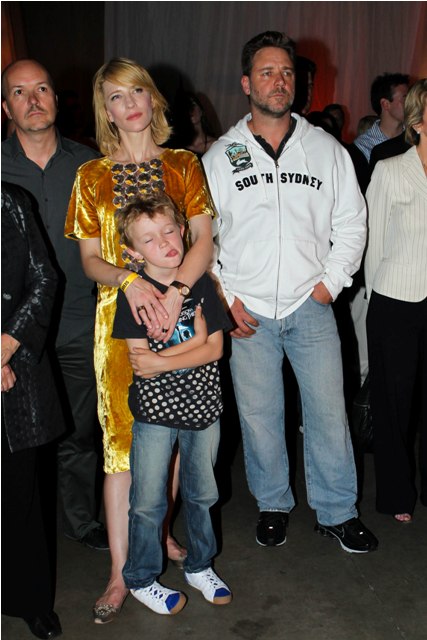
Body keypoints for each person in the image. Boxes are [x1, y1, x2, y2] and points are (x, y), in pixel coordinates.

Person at [202, 31, 378, 553]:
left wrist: (330, 285)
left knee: (328, 414)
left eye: (286, 72)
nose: (278, 81)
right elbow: (201, 236)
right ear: (246, 83)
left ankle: (338, 511)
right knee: (260, 418)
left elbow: (352, 223)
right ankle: (273, 505)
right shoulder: (220, 156)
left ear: (298, 82)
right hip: (247, 310)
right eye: (266, 72)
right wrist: (226, 297)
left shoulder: (326, 150)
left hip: (311, 305)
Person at [64, 57, 215, 622]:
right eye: (114, 97)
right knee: (121, 448)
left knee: (171, 440)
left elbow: (204, 242)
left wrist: (176, 293)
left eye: (136, 92)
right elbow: (89, 260)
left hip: (184, 314)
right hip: (119, 322)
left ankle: (157, 535)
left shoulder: (184, 164)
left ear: (153, 99)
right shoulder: (90, 176)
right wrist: (129, 280)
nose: (128, 104)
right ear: (105, 111)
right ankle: (119, 571)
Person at [1, 59, 108, 551]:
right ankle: (22, 527)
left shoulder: (90, 164)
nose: (33, 99)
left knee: (80, 432)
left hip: (77, 321)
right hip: (13, 332)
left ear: (56, 98)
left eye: (41, 88)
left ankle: (79, 519)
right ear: (6, 107)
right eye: (19, 92)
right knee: (18, 440)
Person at [111, 192, 232, 614]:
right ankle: (141, 578)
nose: (164, 243)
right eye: (149, 239)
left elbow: (215, 349)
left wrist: (171, 356)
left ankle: (200, 565)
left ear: (183, 230)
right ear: (132, 253)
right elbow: (140, 364)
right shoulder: (134, 297)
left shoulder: (201, 285)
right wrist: (194, 342)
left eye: (168, 231)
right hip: (155, 413)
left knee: (203, 494)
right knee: (148, 500)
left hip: (203, 407)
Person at [1, 182, 64, 639]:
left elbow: (45, 279)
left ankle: (28, 598)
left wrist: (8, 345)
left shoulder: (10, 201)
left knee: (19, 495)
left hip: (15, 370)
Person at [365, 78, 427, 523]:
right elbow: (373, 244)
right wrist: (374, 303)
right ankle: (395, 495)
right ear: (419, 123)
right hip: (396, 300)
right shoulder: (390, 170)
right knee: (394, 406)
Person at [354, 73, 409, 162]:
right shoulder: (364, 146)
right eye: (405, 98)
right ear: (385, 104)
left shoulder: (414, 138)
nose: (411, 103)